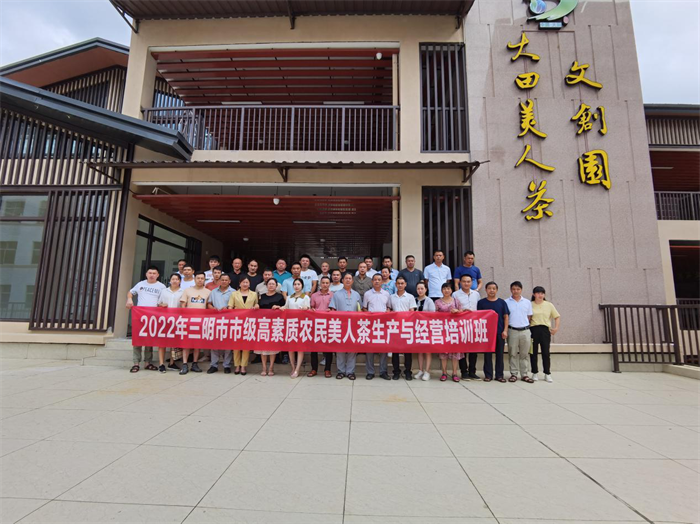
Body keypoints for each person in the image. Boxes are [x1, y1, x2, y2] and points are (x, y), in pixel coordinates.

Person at [126, 266, 166, 373]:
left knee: (149, 340)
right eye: (150, 273)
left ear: (158, 275)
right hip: (139, 316)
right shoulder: (140, 284)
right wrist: (129, 299)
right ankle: (136, 363)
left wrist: (162, 305)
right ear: (146, 274)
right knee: (137, 340)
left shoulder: (162, 287)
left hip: (153, 317)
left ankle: (148, 363)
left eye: (154, 273)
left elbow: (162, 301)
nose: (152, 275)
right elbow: (130, 292)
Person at [329, 273, 362, 380]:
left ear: (352, 281)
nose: (348, 280)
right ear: (342, 280)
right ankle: (341, 371)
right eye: (346, 278)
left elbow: (360, 310)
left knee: (352, 349)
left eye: (350, 278)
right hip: (340, 325)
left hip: (353, 326)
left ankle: (350, 371)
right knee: (340, 349)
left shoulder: (357, 295)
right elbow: (333, 310)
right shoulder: (336, 294)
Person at [179, 271, 211, 374]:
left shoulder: (208, 292)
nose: (200, 280)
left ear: (204, 280)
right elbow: (183, 305)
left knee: (197, 344)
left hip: (201, 322)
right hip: (188, 321)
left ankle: (195, 363)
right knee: (186, 344)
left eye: (202, 278)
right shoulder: (187, 290)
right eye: (198, 278)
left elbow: (208, 306)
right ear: (194, 279)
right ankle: (184, 364)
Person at [477, 282, 509, 383]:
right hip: (487, 333)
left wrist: (505, 330)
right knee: (487, 355)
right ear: (486, 290)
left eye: (494, 288)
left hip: (499, 332)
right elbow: (478, 317)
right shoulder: (481, 303)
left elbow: (506, 317)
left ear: (497, 290)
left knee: (500, 355)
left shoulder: (502, 302)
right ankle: (488, 375)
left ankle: (499, 375)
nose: (491, 290)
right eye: (489, 288)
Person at [227, 275, 259, 375]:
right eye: (243, 282)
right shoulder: (234, 294)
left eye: (247, 282)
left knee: (246, 345)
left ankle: (243, 366)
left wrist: (256, 306)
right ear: (240, 283)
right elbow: (230, 306)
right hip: (237, 322)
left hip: (249, 322)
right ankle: (237, 365)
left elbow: (256, 304)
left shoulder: (254, 294)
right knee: (236, 345)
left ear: (249, 284)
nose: (245, 284)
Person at [362, 274, 391, 380]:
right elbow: (364, 308)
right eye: (375, 280)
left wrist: (387, 312)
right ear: (372, 281)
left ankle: (383, 371)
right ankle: (370, 372)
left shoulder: (386, 294)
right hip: (370, 325)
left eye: (379, 280)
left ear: (382, 282)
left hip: (383, 325)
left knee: (383, 348)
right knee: (369, 348)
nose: (377, 281)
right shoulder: (367, 294)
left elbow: (388, 307)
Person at [530, 286, 561, 383]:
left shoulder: (549, 305)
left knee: (546, 353)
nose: (540, 295)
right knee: (533, 353)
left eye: (542, 293)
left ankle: (547, 373)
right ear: (534, 294)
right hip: (533, 330)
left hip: (545, 331)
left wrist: (556, 328)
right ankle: (534, 372)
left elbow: (557, 316)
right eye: (538, 293)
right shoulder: (529, 304)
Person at [389, 276, 417, 380]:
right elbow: (389, 309)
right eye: (398, 283)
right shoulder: (391, 297)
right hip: (395, 327)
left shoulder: (410, 297)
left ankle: (408, 371)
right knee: (395, 351)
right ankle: (396, 371)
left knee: (407, 351)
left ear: (405, 284)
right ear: (395, 284)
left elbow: (412, 311)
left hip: (406, 327)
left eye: (402, 283)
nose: (400, 285)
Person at [506, 281, 534, 383]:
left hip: (525, 331)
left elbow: (529, 316)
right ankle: (513, 374)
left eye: (518, 289)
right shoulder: (506, 302)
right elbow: (505, 317)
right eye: (514, 289)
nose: (516, 291)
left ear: (521, 290)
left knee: (524, 354)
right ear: (511, 290)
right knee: (512, 353)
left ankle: (524, 374)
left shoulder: (527, 302)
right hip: (512, 330)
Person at [257, 278, 286, 376]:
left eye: (273, 284)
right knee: (263, 347)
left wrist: (278, 307)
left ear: (276, 286)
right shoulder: (262, 296)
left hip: (274, 324)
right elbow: (259, 307)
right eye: (269, 284)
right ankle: (264, 368)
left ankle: (271, 368)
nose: (271, 285)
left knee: (272, 347)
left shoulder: (280, 296)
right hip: (263, 324)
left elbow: (284, 308)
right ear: (266, 285)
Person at [454, 274, 481, 380]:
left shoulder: (476, 294)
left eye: (468, 281)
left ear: (472, 283)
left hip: (474, 325)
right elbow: (454, 309)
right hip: (461, 325)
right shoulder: (455, 294)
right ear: (460, 282)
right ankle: (464, 372)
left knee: (474, 350)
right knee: (462, 350)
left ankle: (472, 371)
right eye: (464, 281)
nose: (466, 283)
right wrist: (462, 311)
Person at [434, 282, 463, 382]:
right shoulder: (437, 302)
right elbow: (434, 315)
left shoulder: (456, 301)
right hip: (442, 330)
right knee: (443, 352)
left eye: (448, 289)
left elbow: (462, 313)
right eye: (444, 289)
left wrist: (457, 311)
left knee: (455, 352)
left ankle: (455, 373)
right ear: (441, 290)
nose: (446, 290)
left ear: (451, 290)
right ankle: (444, 372)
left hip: (454, 330)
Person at [283, 278, 310, 378]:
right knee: (291, 348)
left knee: (300, 348)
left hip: (301, 325)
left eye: (298, 284)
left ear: (302, 286)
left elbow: (308, 308)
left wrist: (306, 308)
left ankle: (298, 369)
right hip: (291, 324)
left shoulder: (306, 297)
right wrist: (279, 307)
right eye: (295, 284)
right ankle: (293, 367)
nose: (296, 286)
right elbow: (286, 307)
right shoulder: (289, 297)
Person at [206, 274, 234, 374]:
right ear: (219, 281)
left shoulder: (234, 292)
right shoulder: (213, 292)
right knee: (215, 343)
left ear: (229, 281)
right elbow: (209, 303)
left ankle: (227, 365)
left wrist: (228, 309)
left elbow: (236, 306)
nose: (224, 282)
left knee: (228, 344)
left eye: (226, 280)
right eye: (222, 280)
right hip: (216, 320)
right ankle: (214, 365)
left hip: (228, 320)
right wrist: (213, 308)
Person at [157, 273, 184, 372]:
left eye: (177, 279)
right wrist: (161, 305)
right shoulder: (164, 291)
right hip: (164, 320)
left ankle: (172, 362)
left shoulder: (183, 292)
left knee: (174, 342)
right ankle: (161, 364)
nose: (175, 281)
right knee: (162, 342)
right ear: (170, 280)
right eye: (173, 279)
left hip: (177, 320)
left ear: (180, 281)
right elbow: (158, 304)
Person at [309, 276, 334, 377]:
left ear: (330, 284)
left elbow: (335, 309)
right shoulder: (314, 295)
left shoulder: (333, 295)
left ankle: (327, 369)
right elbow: (311, 307)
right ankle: (313, 369)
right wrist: (312, 310)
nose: (325, 285)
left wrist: (331, 310)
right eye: (323, 283)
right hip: (316, 324)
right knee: (313, 348)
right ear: (320, 283)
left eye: (327, 283)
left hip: (329, 325)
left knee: (328, 349)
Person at [414, 282, 435, 381]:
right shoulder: (414, 300)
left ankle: (427, 371)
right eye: (418, 289)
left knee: (427, 350)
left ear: (426, 289)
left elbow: (433, 315)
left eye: (422, 288)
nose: (420, 290)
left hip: (427, 328)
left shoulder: (429, 301)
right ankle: (420, 370)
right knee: (420, 350)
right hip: (417, 328)